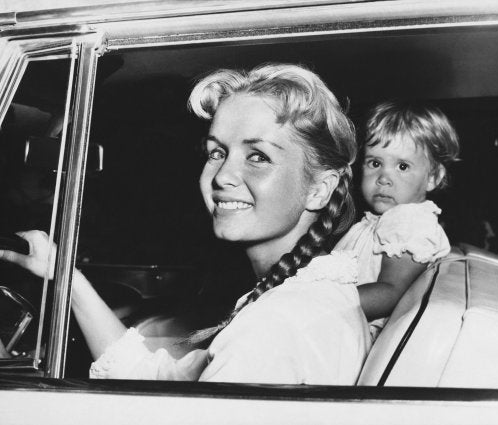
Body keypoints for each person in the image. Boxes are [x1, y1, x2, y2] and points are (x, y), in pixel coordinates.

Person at [0, 63, 371, 384]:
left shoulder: (278, 325)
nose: (223, 175)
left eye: (257, 156)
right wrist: (63, 275)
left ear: (320, 189)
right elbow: (155, 382)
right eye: (217, 152)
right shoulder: (295, 299)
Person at [334, 101, 460, 340]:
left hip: (358, 333)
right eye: (375, 163)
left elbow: (390, 291)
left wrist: (321, 302)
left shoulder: (408, 222)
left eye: (402, 166)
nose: (383, 178)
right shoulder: (384, 220)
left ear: (433, 177)